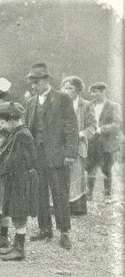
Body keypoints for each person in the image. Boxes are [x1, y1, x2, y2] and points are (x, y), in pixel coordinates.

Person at [24, 63, 78, 250]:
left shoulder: (62, 98)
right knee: (40, 193)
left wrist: (70, 153)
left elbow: (72, 127)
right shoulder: (31, 102)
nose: (33, 86)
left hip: (57, 156)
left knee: (60, 193)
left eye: (36, 81)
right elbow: (27, 130)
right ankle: (44, 228)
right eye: (31, 82)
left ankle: (64, 232)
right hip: (36, 156)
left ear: (46, 80)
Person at [0, 102, 38, 261]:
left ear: (12, 120)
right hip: (17, 178)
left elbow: (13, 160)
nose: (2, 126)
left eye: (3, 122)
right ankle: (16, 245)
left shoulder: (21, 134)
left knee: (19, 213)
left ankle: (19, 249)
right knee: (16, 213)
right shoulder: (18, 132)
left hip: (21, 179)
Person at [61, 76, 96, 215]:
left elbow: (93, 125)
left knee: (76, 176)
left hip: (78, 145)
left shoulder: (85, 105)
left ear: (78, 90)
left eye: (70, 88)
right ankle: (59, 207)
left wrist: (81, 134)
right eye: (64, 87)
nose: (66, 90)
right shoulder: (58, 103)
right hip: (61, 145)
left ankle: (77, 208)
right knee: (61, 175)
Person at [86, 82, 122, 203]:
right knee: (90, 167)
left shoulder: (113, 106)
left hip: (106, 142)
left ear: (102, 91)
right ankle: (88, 195)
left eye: (95, 91)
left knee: (106, 168)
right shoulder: (89, 105)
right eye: (91, 92)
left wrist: (101, 129)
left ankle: (107, 195)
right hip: (91, 141)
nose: (92, 94)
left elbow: (117, 124)